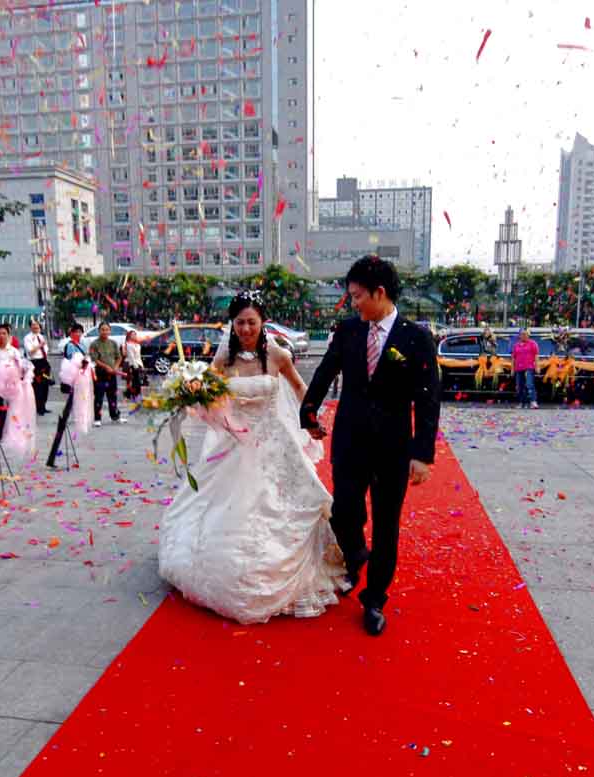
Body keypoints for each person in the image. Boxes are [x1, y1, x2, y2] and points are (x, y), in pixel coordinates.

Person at [157, 291, 347, 624]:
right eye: (240, 323)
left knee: (295, 503)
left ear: (263, 323)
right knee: (221, 507)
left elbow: (300, 389)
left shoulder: (278, 354)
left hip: (274, 441)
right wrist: (190, 391)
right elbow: (209, 392)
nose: (245, 329)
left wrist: (311, 417)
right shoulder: (224, 357)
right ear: (232, 324)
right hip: (235, 441)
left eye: (251, 322)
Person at [301, 255, 442, 636]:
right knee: (344, 512)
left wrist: (422, 454)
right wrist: (308, 411)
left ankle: (375, 598)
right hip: (350, 442)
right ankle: (355, 554)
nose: (354, 303)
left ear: (380, 293)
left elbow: (428, 399)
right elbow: (325, 372)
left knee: (386, 526)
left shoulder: (416, 338)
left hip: (392, 449)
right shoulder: (349, 331)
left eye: (358, 296)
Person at [90, 321, 122, 426]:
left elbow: (119, 357)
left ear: (110, 331)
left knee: (112, 396)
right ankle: (97, 418)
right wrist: (106, 367)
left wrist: (115, 367)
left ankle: (114, 416)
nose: (105, 332)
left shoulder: (113, 343)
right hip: (100, 374)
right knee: (99, 397)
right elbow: (95, 359)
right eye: (102, 330)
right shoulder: (94, 344)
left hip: (112, 374)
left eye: (107, 329)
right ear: (99, 331)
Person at [24, 319, 52, 415]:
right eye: (34, 325)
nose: (36, 327)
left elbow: (46, 350)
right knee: (37, 386)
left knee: (45, 385)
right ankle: (38, 407)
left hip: (44, 362)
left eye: (37, 325)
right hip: (35, 363)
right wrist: (40, 345)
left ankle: (43, 406)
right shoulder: (28, 338)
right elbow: (30, 352)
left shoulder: (41, 336)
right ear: (30, 327)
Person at [512, 328, 539, 409]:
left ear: (528, 335)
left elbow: (536, 356)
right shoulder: (516, 345)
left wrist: (537, 366)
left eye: (525, 334)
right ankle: (521, 403)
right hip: (518, 368)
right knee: (519, 386)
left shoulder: (533, 343)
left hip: (529, 368)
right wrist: (512, 369)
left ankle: (533, 402)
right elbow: (513, 358)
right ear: (519, 336)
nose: (524, 336)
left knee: (529, 384)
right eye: (522, 334)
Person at [122, 329, 145, 400]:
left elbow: (138, 356)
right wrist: (135, 366)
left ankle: (134, 394)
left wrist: (142, 365)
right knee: (132, 380)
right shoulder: (128, 344)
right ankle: (131, 394)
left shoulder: (138, 345)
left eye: (135, 334)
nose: (134, 336)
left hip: (138, 363)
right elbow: (131, 356)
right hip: (130, 364)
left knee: (137, 380)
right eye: (132, 335)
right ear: (129, 336)